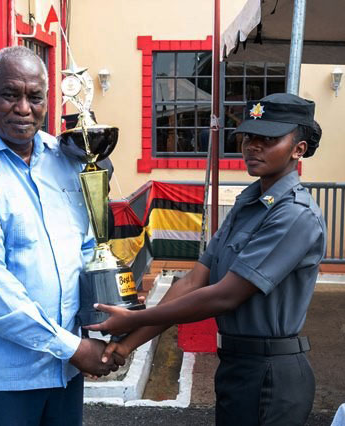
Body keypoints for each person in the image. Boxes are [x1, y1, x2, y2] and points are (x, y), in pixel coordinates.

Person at [87, 93, 327, 426]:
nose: (252, 146)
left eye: (268, 139)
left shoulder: (294, 216)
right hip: (237, 368)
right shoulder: (248, 203)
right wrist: (129, 345)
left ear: (298, 149)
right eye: (249, 136)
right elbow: (191, 282)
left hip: (272, 375)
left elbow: (224, 295)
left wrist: (133, 319)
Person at [0, 46, 122, 426]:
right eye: (10, 94)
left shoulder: (63, 156)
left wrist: (109, 313)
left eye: (35, 97)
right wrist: (74, 348)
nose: (23, 108)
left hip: (62, 375)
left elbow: (87, 246)